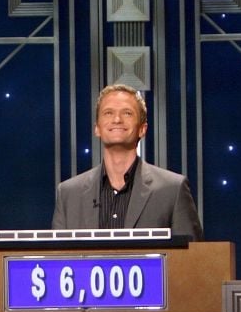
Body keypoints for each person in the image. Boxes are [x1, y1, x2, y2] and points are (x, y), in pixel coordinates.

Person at [51, 84, 203, 240]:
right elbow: (56, 254)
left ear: (142, 129)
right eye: (108, 113)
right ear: (97, 128)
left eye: (127, 113)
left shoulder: (172, 190)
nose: (117, 120)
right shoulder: (68, 194)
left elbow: (193, 254)